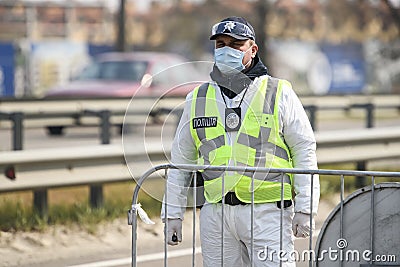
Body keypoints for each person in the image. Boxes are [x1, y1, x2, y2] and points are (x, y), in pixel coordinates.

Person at [161, 16, 320, 267]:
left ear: (253, 49)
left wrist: (305, 208)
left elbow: (304, 150)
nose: (227, 50)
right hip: (216, 215)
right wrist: (172, 213)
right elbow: (181, 160)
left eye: (236, 45)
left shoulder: (278, 92)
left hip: (268, 213)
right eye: (221, 44)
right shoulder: (198, 98)